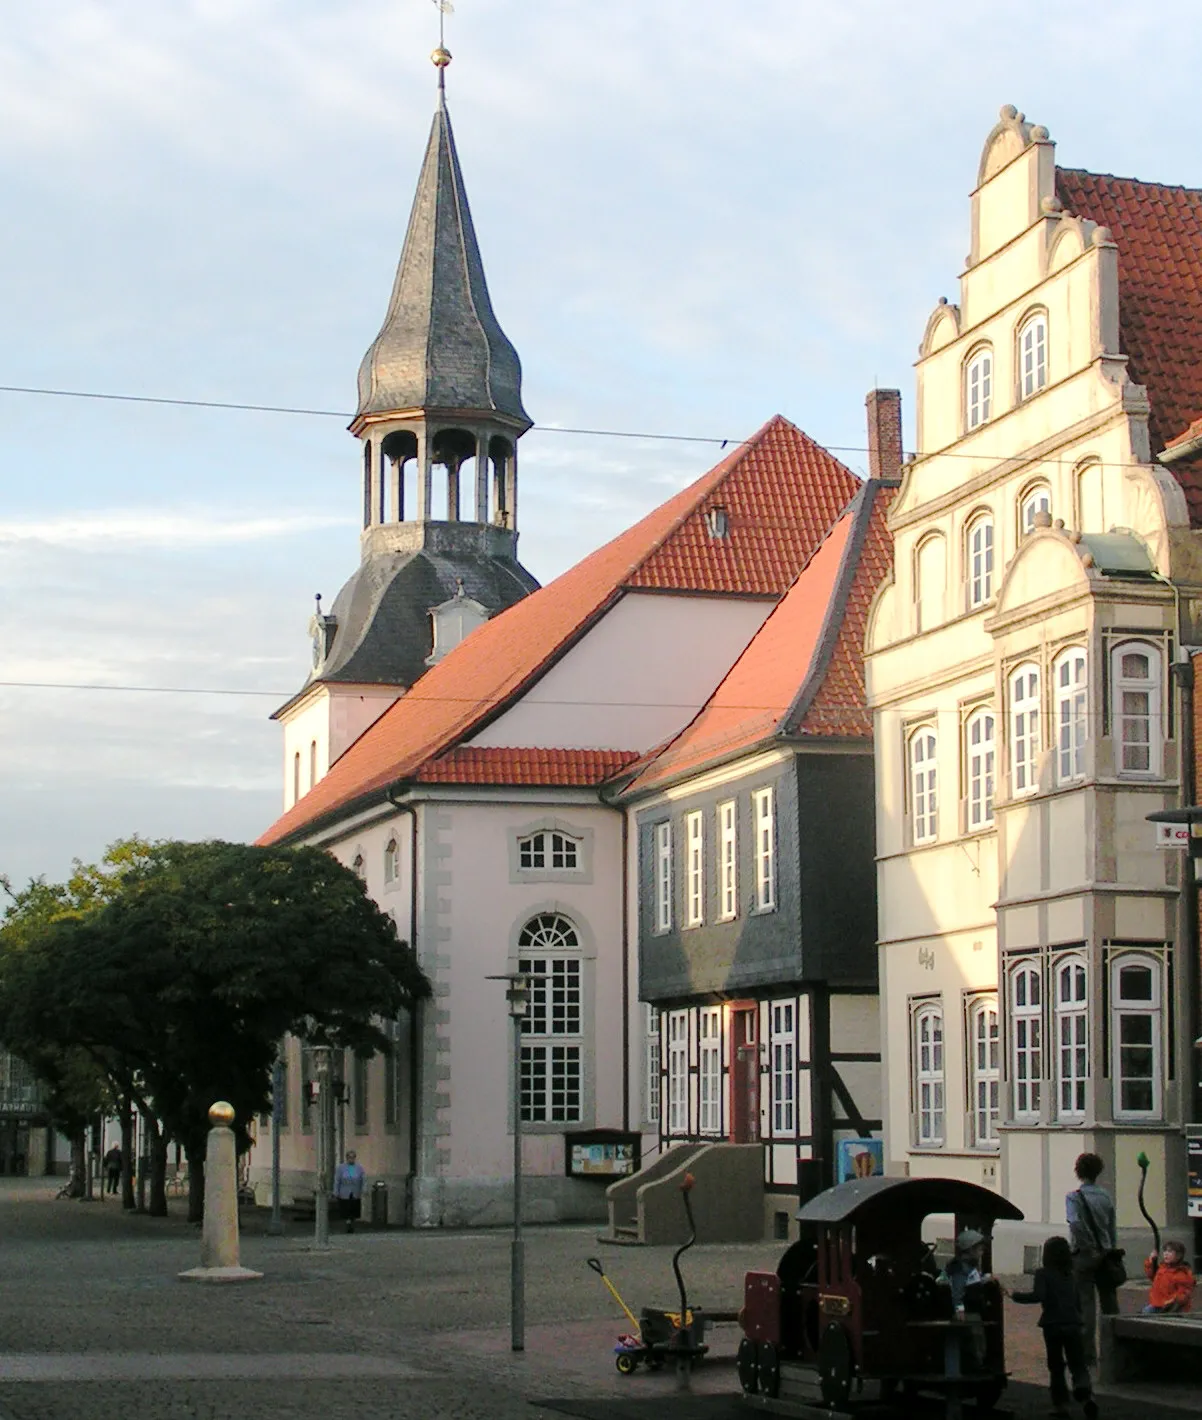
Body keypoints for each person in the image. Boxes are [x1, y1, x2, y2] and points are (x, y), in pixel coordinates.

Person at [1011, 1235, 1098, 1420]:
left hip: (1052, 1324)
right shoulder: (1071, 1274)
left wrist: (1016, 1296)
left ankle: (1061, 1405)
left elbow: (1039, 1295)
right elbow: (1077, 1301)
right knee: (1078, 1363)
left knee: (1056, 1366)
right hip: (1072, 1322)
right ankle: (1085, 1396)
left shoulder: (1043, 1273)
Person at [1065, 1151, 1118, 1367]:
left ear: (1078, 1172)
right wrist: (1110, 1249)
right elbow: (1111, 1226)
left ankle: (1087, 1354)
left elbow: (1075, 1224)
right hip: (1106, 1254)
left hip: (1084, 1255)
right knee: (1110, 1304)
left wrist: (1087, 1246)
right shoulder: (1105, 1196)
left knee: (1085, 1304)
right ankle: (1114, 1350)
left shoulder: (1073, 1197)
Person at [1143, 1240, 1196, 1314]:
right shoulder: (1163, 1268)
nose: (1166, 1254)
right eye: (1165, 1251)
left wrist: (1172, 1301)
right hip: (1158, 1304)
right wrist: (1151, 1261)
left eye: (1170, 1252)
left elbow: (1183, 1294)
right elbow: (1152, 1276)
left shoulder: (1181, 1274)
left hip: (1171, 1308)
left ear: (1178, 1256)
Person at [333, 1149, 366, 1234]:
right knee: (346, 1208)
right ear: (347, 1158)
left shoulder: (359, 1168)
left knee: (354, 1208)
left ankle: (352, 1222)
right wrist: (336, 1191)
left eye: (353, 1157)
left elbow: (363, 1179)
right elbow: (337, 1180)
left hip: (355, 1191)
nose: (351, 1159)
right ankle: (347, 1223)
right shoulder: (341, 1168)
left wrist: (364, 1189)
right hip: (344, 1192)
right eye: (349, 1157)